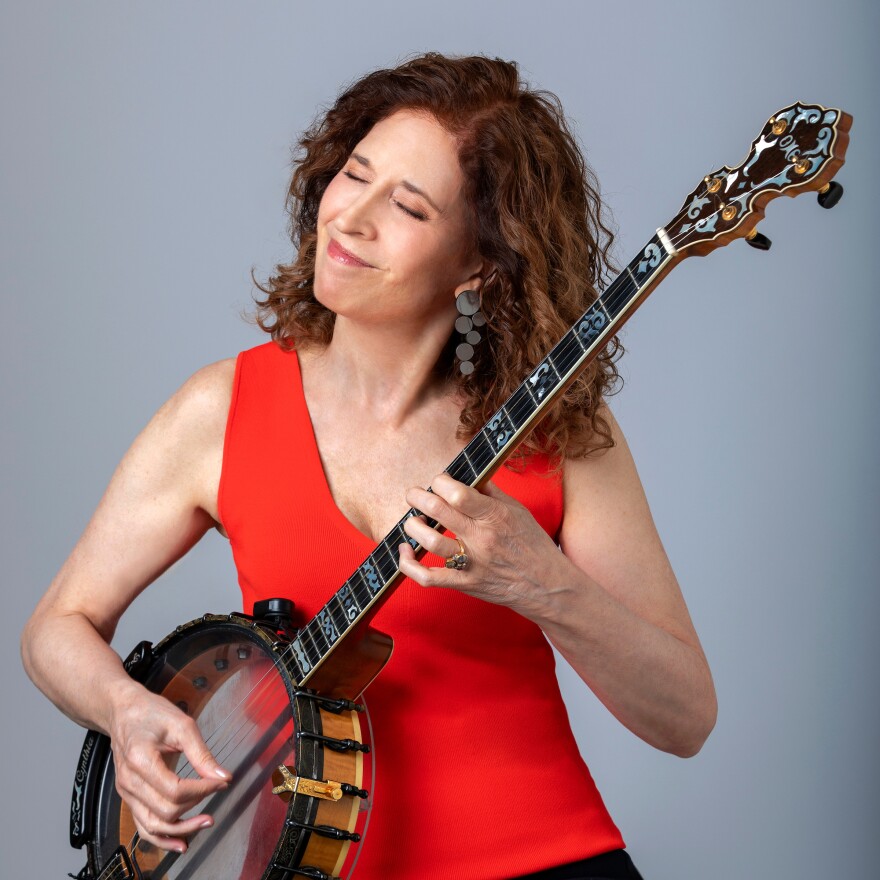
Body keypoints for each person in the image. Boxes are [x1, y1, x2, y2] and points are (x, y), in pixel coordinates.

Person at [21, 54, 716, 880]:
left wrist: (543, 585)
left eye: (409, 207)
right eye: (354, 175)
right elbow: (55, 629)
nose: (351, 218)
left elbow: (685, 718)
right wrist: (127, 712)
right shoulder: (222, 409)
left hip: (548, 862)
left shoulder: (557, 430)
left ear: (479, 265)